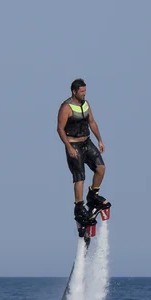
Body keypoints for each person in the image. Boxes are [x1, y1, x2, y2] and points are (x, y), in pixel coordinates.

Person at [57, 78, 110, 226]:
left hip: (87, 142)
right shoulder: (66, 107)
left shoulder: (86, 105)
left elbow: (92, 122)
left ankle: (93, 195)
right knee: (79, 176)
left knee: (101, 168)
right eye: (82, 92)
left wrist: (99, 140)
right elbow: (60, 129)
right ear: (74, 92)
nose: (84, 94)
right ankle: (79, 207)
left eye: (85, 91)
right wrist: (68, 147)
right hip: (73, 145)